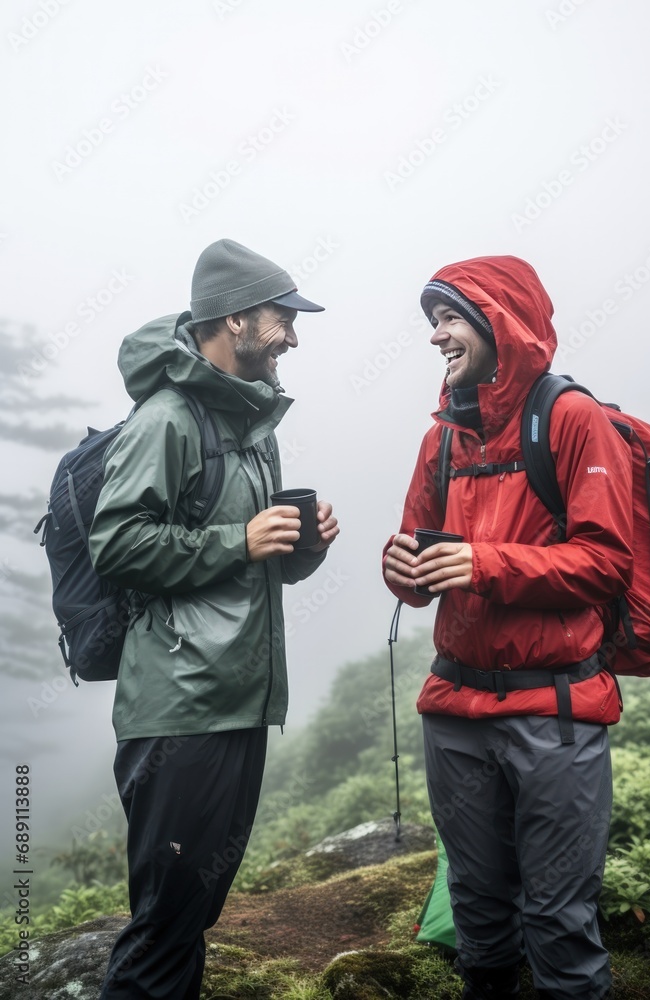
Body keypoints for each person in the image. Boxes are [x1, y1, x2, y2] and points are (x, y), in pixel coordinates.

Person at [89, 238, 339, 999]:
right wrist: (239, 539)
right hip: (178, 711)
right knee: (165, 921)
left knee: (192, 914)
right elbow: (116, 542)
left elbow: (252, 562)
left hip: (234, 698)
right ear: (233, 319)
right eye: (283, 318)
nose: (293, 336)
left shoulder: (251, 426)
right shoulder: (166, 418)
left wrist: (301, 547)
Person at [383, 255, 632, 1000]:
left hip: (552, 711)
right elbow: (421, 575)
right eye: (433, 323)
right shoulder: (442, 438)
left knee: (558, 919)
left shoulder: (572, 420)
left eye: (450, 319)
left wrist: (482, 564)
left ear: (502, 322)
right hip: (453, 713)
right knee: (478, 915)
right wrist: (402, 568)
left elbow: (605, 563)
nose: (436, 337)